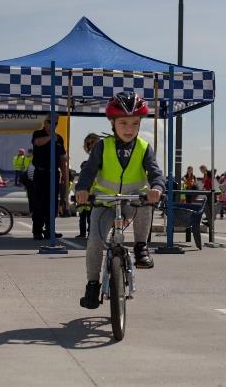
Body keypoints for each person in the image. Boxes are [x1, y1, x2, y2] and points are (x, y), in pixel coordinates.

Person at [75, 92, 164, 310]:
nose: (129, 128)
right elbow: (88, 171)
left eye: (135, 123)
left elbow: (155, 172)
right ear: (113, 123)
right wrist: (82, 189)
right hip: (104, 202)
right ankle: (93, 285)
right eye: (123, 123)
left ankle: (141, 246)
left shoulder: (144, 147)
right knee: (94, 241)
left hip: (132, 200)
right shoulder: (102, 146)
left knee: (145, 203)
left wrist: (156, 187)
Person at [31, 113, 68, 240]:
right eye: (51, 122)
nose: (53, 125)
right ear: (45, 122)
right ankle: (37, 230)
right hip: (41, 173)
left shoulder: (60, 139)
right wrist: (51, 137)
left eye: (56, 123)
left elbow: (62, 159)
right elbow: (37, 143)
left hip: (54, 173)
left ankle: (50, 230)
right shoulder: (38, 134)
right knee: (39, 202)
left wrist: (64, 175)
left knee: (52, 202)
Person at [76, 133, 100, 238]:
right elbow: (85, 176)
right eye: (88, 143)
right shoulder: (90, 161)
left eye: (93, 142)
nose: (90, 145)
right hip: (93, 197)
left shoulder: (106, 155)